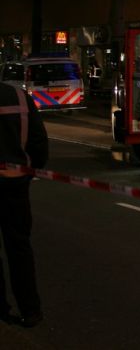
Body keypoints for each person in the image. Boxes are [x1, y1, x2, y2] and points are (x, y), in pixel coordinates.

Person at [0, 81, 49, 328]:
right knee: (19, 247)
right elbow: (39, 142)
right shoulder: (19, 97)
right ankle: (30, 310)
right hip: (15, 185)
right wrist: (27, 172)